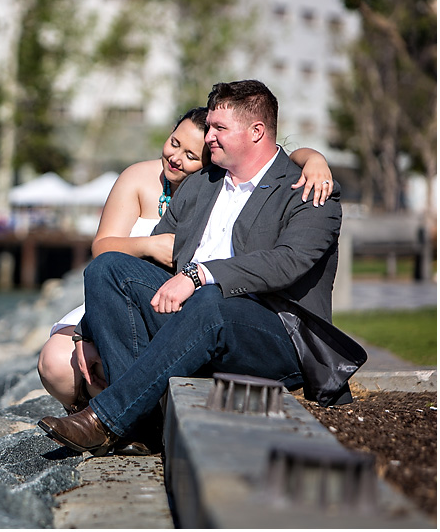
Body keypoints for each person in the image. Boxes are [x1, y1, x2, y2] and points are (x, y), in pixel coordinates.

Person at [38, 80, 366, 456]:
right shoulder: (201, 185)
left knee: (211, 302)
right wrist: (88, 328)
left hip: (275, 335)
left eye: (218, 129)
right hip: (193, 319)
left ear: (257, 132)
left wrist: (198, 275)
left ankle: (105, 419)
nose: (208, 136)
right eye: (209, 126)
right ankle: (144, 428)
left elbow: (288, 261)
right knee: (108, 268)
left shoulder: (309, 187)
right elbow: (147, 264)